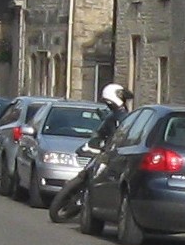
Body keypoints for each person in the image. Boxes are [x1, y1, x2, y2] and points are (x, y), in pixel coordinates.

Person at [47, 85, 132, 223]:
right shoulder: (115, 116)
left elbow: (119, 136)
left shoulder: (122, 117)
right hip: (109, 152)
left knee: (103, 178)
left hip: (114, 156)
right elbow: (101, 134)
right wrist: (93, 144)